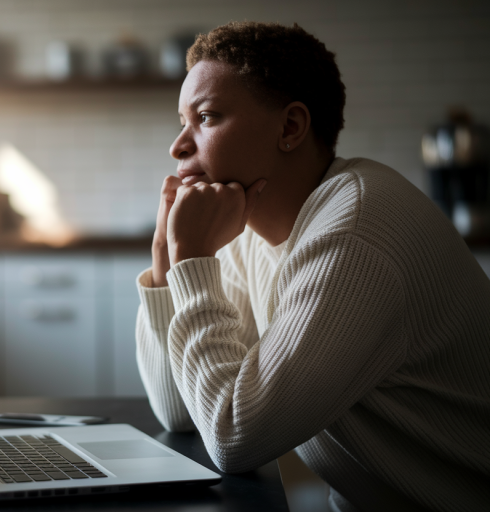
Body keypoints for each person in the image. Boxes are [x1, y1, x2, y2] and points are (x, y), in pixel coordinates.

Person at [135, 21, 490, 512]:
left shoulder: (354, 232)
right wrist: (164, 262)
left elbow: (234, 439)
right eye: (182, 120)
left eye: (207, 117)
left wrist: (193, 261)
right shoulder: (247, 236)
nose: (178, 146)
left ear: (290, 128)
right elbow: (182, 411)